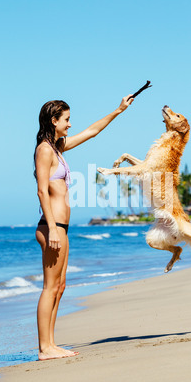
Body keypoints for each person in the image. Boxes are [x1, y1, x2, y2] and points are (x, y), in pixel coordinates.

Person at [33, 94, 134, 360]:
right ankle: (45, 348)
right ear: (53, 120)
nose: (70, 124)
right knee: (49, 287)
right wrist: (53, 229)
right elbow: (42, 192)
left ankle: (51, 344)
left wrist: (118, 110)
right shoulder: (44, 149)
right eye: (66, 119)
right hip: (51, 227)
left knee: (60, 286)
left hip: (61, 227)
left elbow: (92, 131)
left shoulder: (57, 148)